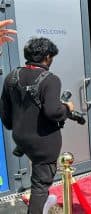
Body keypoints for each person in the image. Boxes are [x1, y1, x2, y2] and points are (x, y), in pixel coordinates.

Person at [0, 37, 74, 214]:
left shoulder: (11, 76)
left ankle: (45, 203)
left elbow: (4, 111)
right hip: (44, 142)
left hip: (21, 138)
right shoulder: (50, 79)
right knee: (40, 185)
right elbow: (53, 112)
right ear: (47, 57)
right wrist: (67, 108)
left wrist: (14, 126)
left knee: (38, 178)